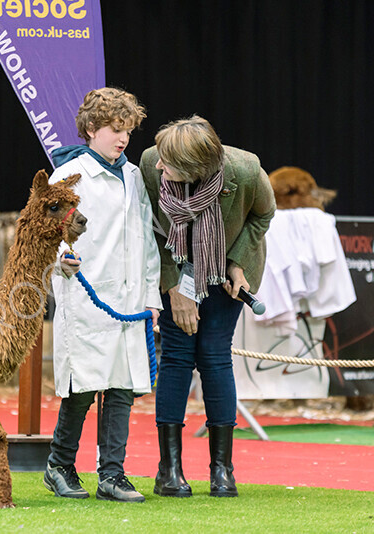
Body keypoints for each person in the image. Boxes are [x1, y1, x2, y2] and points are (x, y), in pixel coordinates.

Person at [139, 115, 275, 498]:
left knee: (215, 355)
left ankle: (222, 470)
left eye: (170, 163)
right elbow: (151, 228)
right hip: (174, 263)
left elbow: (264, 213)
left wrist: (238, 262)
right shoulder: (152, 163)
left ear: (195, 168)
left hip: (226, 273)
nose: (160, 165)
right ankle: (169, 470)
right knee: (178, 355)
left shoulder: (246, 169)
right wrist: (172, 286)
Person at [43, 88, 162, 503]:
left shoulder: (133, 176)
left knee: (123, 389)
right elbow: (47, 233)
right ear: (91, 128)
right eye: (115, 128)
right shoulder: (67, 176)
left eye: (128, 129)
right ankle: (59, 465)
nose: (123, 137)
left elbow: (146, 239)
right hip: (86, 300)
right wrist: (62, 260)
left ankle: (113, 474)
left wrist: (152, 299)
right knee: (82, 387)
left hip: (129, 304)